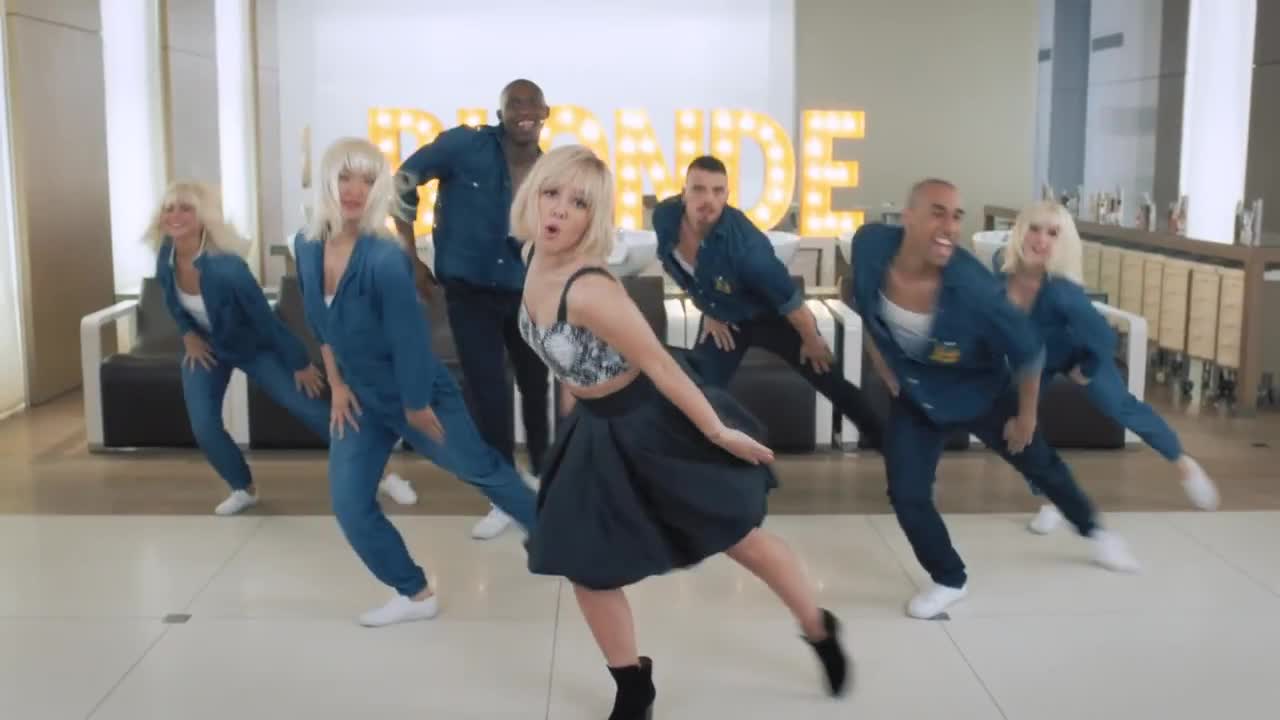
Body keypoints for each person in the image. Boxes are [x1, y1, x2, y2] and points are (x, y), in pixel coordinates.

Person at [514, 146, 848, 719]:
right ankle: (633, 687)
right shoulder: (531, 257)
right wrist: (573, 415)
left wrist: (718, 434)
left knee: (739, 537)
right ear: (533, 194)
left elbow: (660, 365)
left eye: (579, 202)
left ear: (595, 217)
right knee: (584, 565)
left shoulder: (592, 288)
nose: (560, 210)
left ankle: (819, 629)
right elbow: (565, 357)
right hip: (596, 428)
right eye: (552, 193)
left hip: (654, 421)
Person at [849, 179, 1140, 621]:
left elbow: (1029, 351)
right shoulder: (869, 245)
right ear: (907, 217)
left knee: (1040, 464)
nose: (950, 226)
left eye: (956, 216)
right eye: (937, 213)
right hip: (917, 395)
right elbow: (860, 297)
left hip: (982, 391)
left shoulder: (975, 288)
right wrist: (882, 363)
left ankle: (1095, 530)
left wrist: (1026, 417)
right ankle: (949, 578)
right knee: (906, 492)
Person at [293, 138, 538, 627]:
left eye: (367, 180)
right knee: (349, 505)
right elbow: (320, 323)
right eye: (344, 177)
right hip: (359, 398)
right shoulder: (307, 244)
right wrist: (337, 385)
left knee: (483, 471)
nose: (354, 190)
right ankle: (415, 593)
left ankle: (567, 541)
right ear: (326, 182)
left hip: (418, 394)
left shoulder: (385, 257)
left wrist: (416, 407)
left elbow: (410, 341)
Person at [148, 181, 416, 515]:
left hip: (254, 346)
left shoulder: (228, 267)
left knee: (311, 410)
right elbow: (171, 298)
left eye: (185, 208)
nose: (175, 216)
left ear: (203, 217)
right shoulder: (166, 255)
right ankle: (243, 488)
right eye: (169, 208)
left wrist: (299, 363)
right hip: (209, 347)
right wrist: (188, 333)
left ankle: (384, 475)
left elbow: (266, 320)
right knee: (203, 425)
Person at [995, 201, 1219, 533]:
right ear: (1019, 232)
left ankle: (1183, 463)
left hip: (1082, 354)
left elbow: (1103, 337)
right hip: (1037, 361)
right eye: (1035, 229)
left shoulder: (1063, 291)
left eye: (1053, 233)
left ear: (1063, 242)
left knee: (1120, 406)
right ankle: (1051, 498)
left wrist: (1086, 369)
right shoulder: (1002, 277)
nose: (1041, 239)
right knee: (1021, 421)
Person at [392, 78, 551, 540]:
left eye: (532, 104)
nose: (524, 111)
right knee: (488, 393)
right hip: (470, 293)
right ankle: (503, 495)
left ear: (546, 113)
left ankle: (541, 478)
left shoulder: (550, 170)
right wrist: (410, 256)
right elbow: (403, 180)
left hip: (527, 292)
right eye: (514, 104)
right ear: (500, 113)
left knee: (536, 385)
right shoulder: (465, 146)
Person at [652, 156, 882, 444]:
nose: (708, 200)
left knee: (830, 381)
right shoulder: (665, 218)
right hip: (728, 319)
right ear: (683, 192)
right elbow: (685, 273)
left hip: (773, 317)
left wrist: (812, 339)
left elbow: (793, 305)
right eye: (698, 189)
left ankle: (890, 443)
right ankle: (706, 460)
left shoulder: (749, 251)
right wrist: (708, 310)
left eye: (717, 191)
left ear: (727, 195)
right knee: (701, 391)